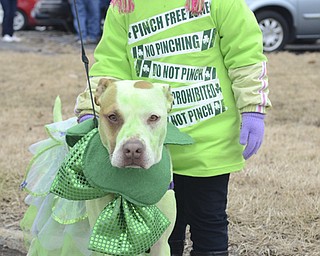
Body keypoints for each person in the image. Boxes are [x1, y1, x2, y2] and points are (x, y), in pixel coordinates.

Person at [74, 0, 272, 255]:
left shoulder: (222, 3)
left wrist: (253, 107)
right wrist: (90, 106)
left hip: (208, 145)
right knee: (162, 234)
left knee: (209, 225)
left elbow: (246, 56)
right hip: (151, 150)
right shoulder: (126, 6)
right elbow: (110, 66)